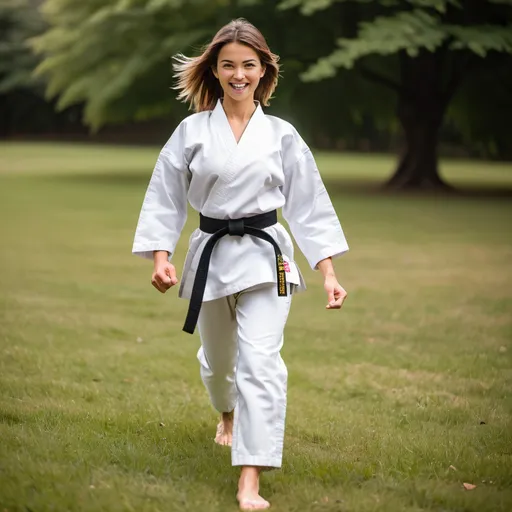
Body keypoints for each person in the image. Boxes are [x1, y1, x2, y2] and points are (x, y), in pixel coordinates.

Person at [132, 18, 349, 511]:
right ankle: (225, 413)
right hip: (210, 253)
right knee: (219, 366)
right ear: (214, 70)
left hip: (266, 256)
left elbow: (309, 205)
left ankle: (249, 479)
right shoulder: (191, 131)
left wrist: (329, 272)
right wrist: (161, 258)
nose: (238, 74)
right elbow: (165, 198)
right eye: (228, 64)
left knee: (261, 363)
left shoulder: (281, 134)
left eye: (248, 65)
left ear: (263, 69)